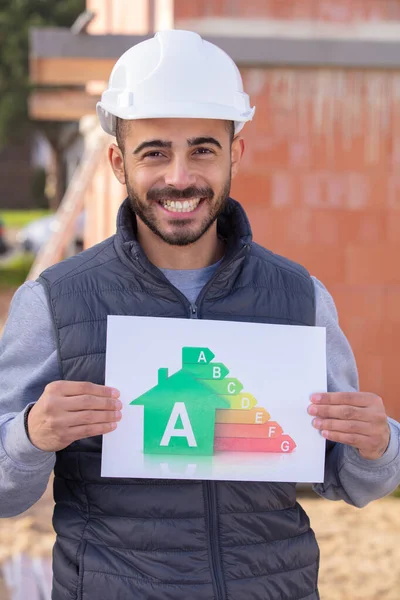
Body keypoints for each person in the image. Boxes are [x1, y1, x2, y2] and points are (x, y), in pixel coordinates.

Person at [0, 29, 399, 600]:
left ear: (234, 153)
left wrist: (377, 446)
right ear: (118, 161)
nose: (180, 178)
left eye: (203, 150)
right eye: (154, 151)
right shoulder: (55, 302)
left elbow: (354, 483)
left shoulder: (300, 298)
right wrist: (31, 436)